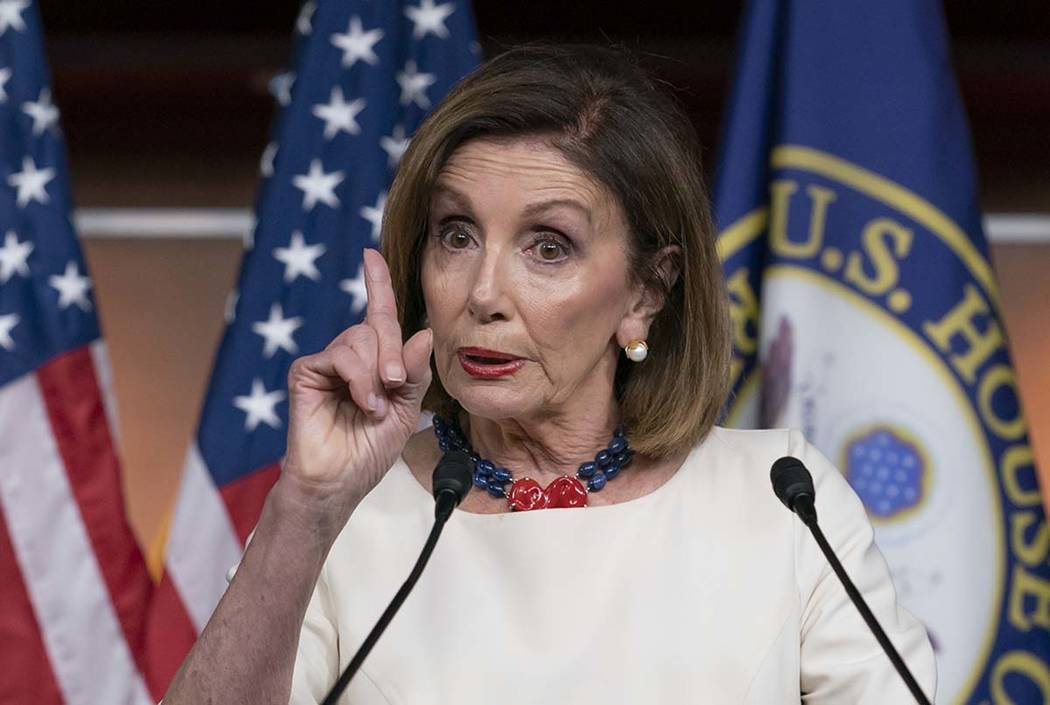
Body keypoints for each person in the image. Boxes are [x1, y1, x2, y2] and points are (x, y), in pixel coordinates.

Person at [162, 45, 936, 704]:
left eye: (549, 246)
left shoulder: (783, 500)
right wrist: (306, 506)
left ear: (646, 292)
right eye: (457, 235)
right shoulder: (346, 519)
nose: (484, 293)